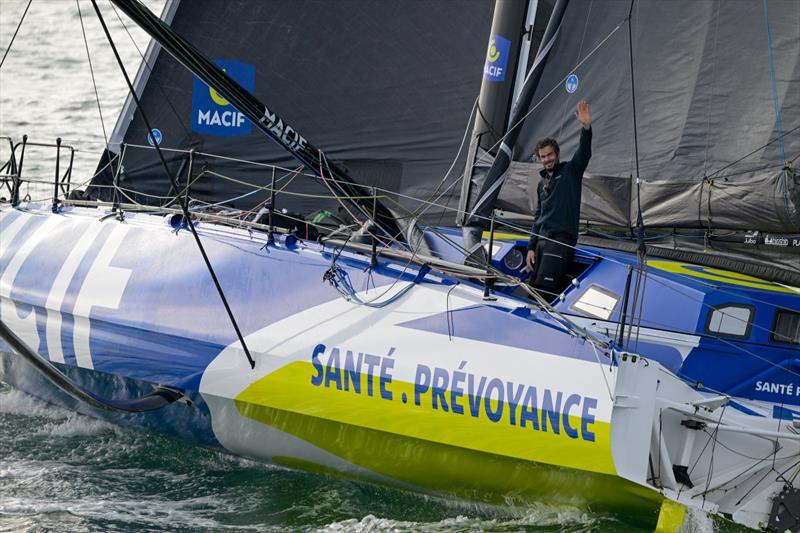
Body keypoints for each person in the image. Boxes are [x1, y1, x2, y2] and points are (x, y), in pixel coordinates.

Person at [526, 100, 592, 295]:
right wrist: (531, 247)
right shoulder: (542, 183)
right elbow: (538, 217)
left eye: (549, 155)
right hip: (541, 243)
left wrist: (586, 127)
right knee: (531, 288)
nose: (547, 159)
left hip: (560, 241)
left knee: (544, 292)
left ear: (557, 154)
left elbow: (584, 153)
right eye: (543, 157)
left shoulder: (571, 171)